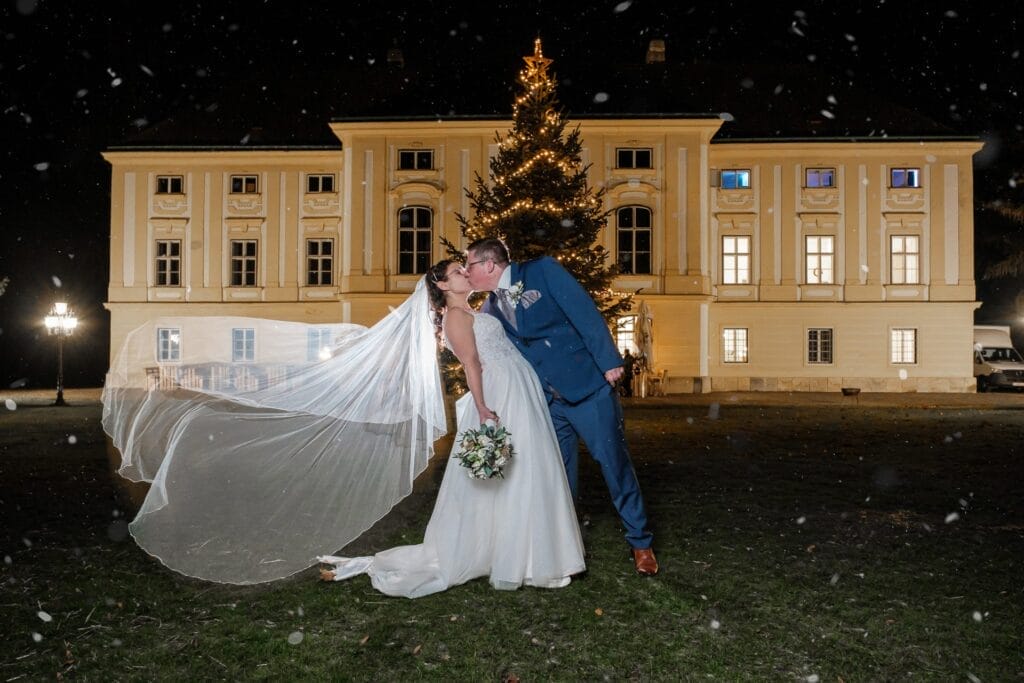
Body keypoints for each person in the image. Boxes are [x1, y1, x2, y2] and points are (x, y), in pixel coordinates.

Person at [317, 259, 585, 597]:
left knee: (528, 468)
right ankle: (525, 560)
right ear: (443, 285)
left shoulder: (474, 311)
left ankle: (531, 553)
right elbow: (472, 362)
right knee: (514, 473)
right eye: (458, 271)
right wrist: (483, 406)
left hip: (517, 388)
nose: (465, 273)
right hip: (500, 393)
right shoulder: (456, 318)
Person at [463, 238, 658, 576]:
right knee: (559, 478)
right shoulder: (489, 309)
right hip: (546, 402)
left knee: (615, 466)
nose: (466, 272)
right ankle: (565, 549)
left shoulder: (542, 271)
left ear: (489, 265)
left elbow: (583, 311)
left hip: (587, 389)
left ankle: (641, 543)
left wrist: (609, 360)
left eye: (469, 266)